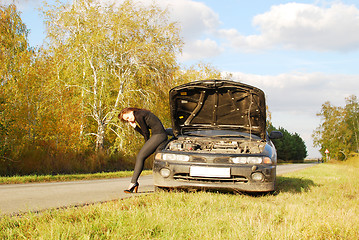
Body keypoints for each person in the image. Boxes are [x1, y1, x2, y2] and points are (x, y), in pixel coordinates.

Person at [118, 107, 167, 193]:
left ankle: (133, 183)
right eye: (127, 120)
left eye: (128, 118)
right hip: (161, 136)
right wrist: (135, 127)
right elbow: (145, 132)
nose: (129, 120)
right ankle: (162, 186)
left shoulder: (139, 115)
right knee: (158, 161)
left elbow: (146, 133)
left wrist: (147, 145)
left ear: (130, 111)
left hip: (158, 136)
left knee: (140, 157)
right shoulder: (141, 114)